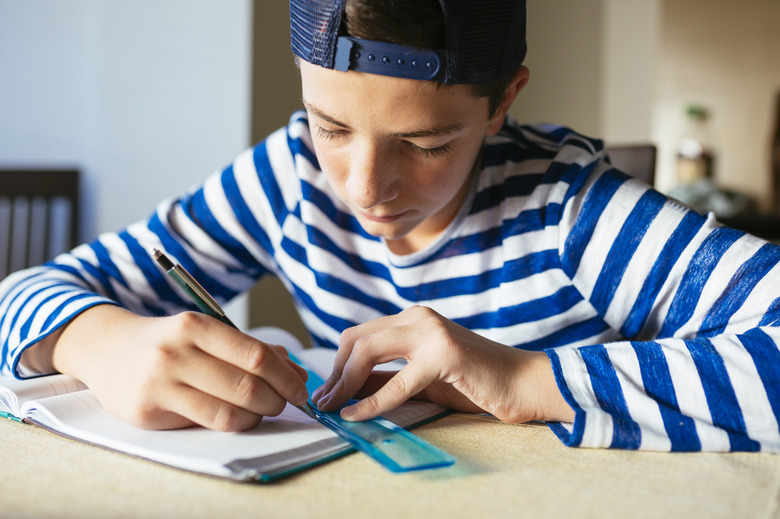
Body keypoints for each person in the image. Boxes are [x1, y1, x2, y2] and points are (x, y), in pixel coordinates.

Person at [1, 0, 779, 452]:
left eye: (427, 143)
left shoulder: (572, 210)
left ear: (503, 99)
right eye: (330, 126)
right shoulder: (286, 179)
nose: (364, 189)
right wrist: (94, 339)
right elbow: (23, 293)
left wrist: (521, 380)